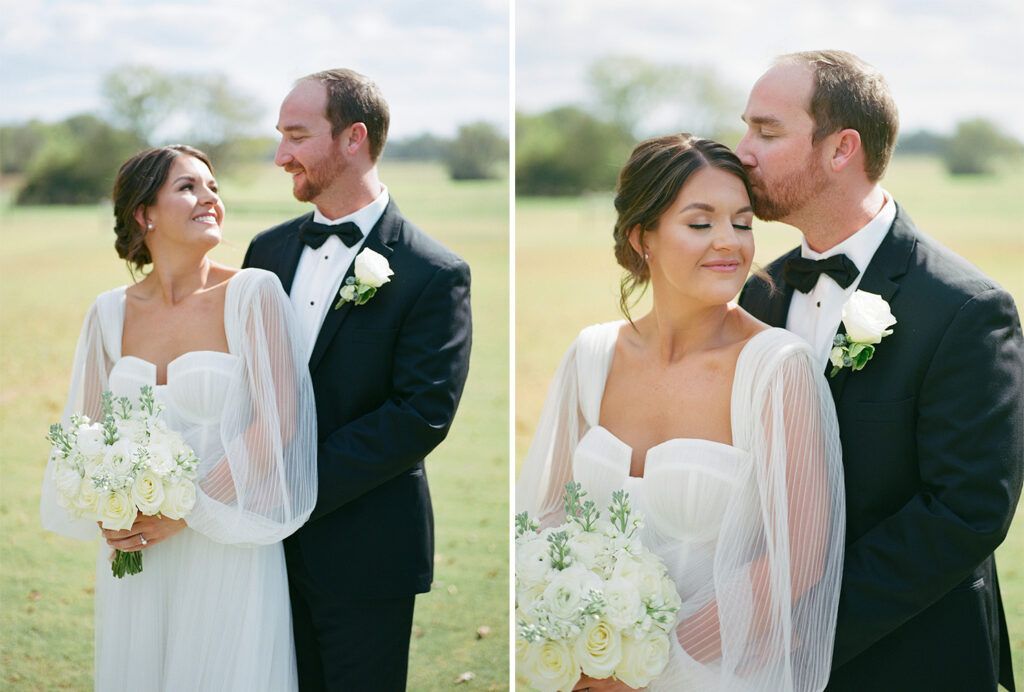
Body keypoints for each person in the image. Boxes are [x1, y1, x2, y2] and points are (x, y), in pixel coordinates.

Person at [736, 50, 1024, 691]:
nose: (742, 150)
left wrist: (805, 629)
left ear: (841, 150)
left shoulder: (966, 310)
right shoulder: (760, 293)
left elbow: (966, 511)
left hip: (912, 657)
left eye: (766, 130)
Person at [516, 134, 846, 691]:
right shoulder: (592, 356)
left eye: (742, 223)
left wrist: (647, 664)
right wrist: (569, 640)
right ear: (642, 236)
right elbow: (547, 514)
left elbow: (799, 558)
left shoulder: (775, 367)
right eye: (700, 224)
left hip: (716, 673)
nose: (730, 243)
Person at [40, 144, 318, 690]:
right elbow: (86, 430)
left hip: (225, 543)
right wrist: (107, 503)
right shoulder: (109, 313)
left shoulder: (252, 293)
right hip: (138, 546)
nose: (209, 198)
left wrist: (188, 509)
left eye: (213, 187)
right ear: (144, 213)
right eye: (188, 187)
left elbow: (277, 420)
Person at [242, 69, 472, 691]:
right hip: (261, 549)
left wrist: (297, 483)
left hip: (367, 553)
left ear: (353, 139)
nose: (280, 154)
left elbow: (420, 414)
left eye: (296, 135)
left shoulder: (433, 272)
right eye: (280, 136)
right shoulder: (265, 253)